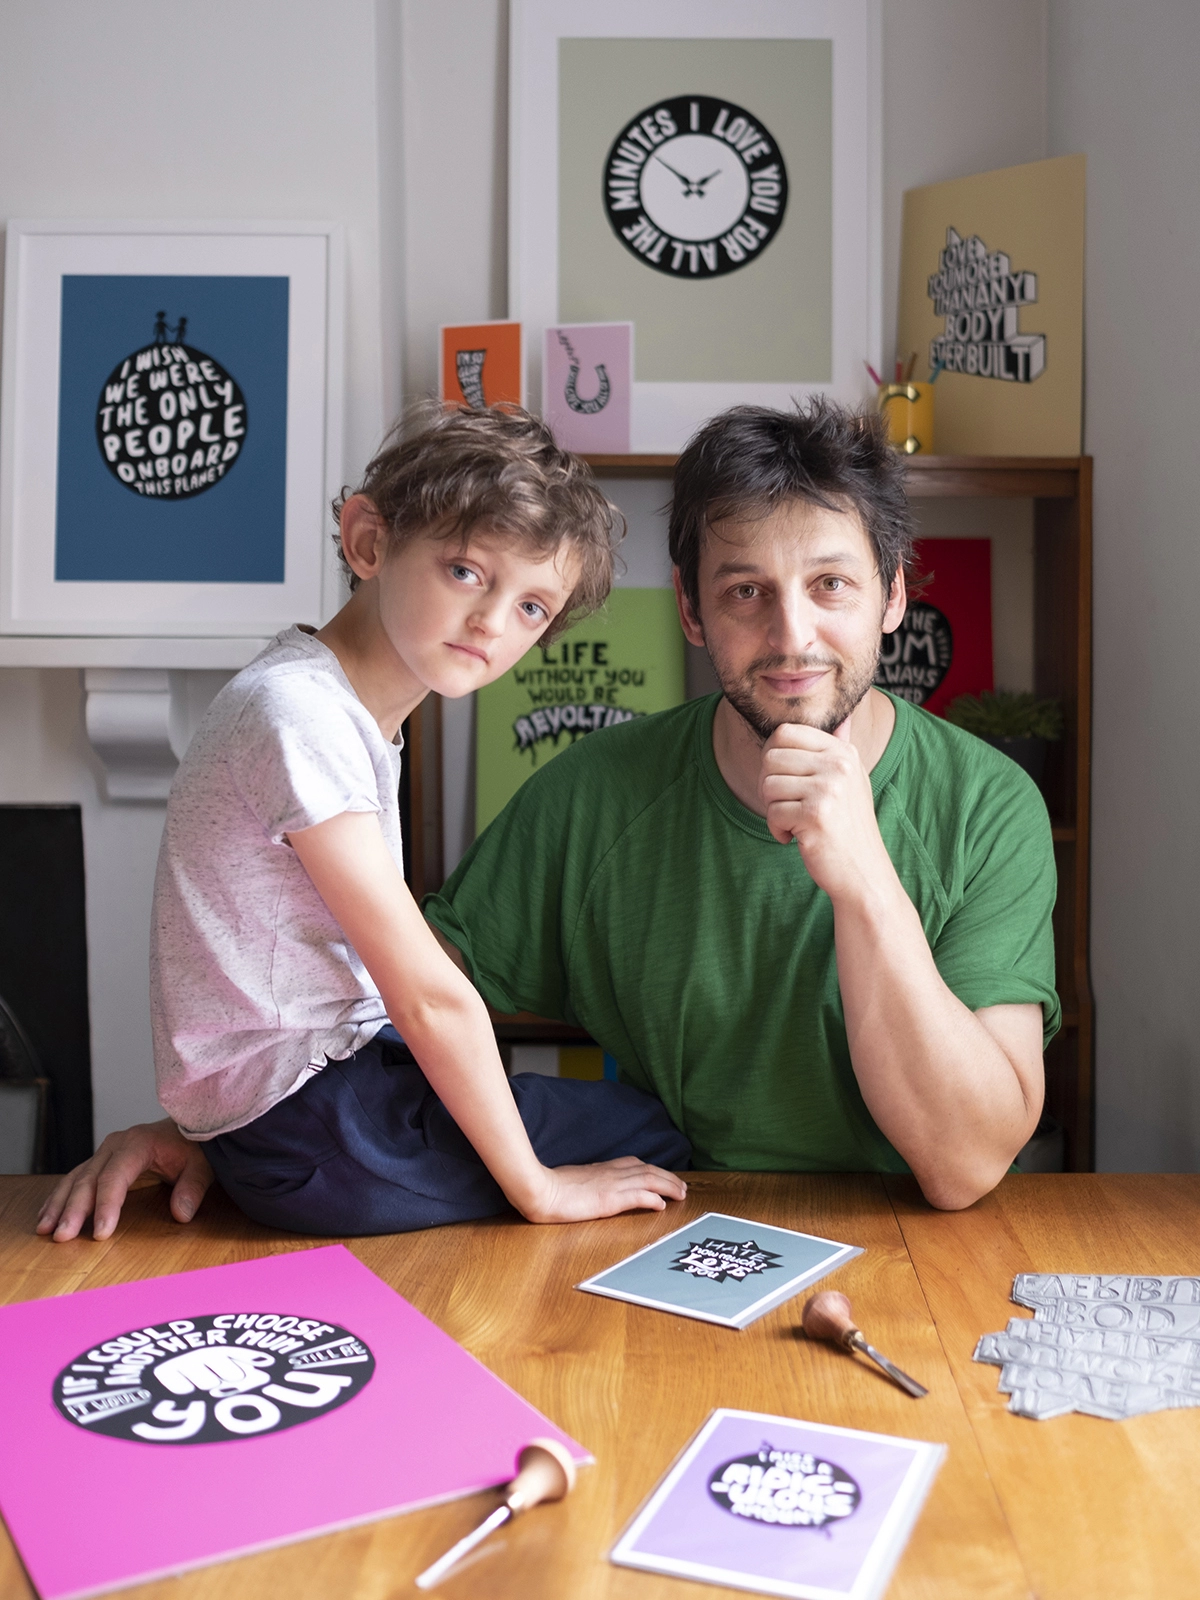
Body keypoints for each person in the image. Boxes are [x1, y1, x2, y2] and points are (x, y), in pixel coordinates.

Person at [40, 399, 1056, 1240]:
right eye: (746, 593)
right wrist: (214, 1131)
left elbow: (965, 1168)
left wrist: (865, 877)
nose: (792, 635)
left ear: (893, 597)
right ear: (693, 619)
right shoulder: (593, 795)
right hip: (665, 1223)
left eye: (830, 585)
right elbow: (389, 1005)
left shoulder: (988, 804)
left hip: (919, 1250)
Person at [40, 404, 689, 1243]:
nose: (493, 623)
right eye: (466, 571)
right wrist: (537, 1189)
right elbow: (423, 994)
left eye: (532, 607)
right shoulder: (298, 713)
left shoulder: (342, 710)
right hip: (316, 1134)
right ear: (369, 542)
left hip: (319, 1105)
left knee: (626, 1124)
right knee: (644, 1137)